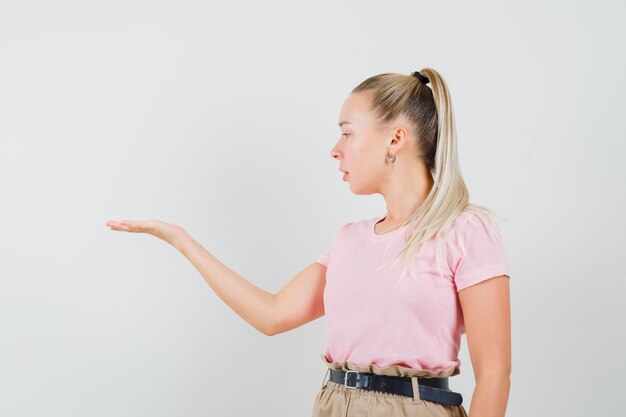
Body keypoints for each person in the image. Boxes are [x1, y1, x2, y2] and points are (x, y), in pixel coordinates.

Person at [106, 67, 511, 417]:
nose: (335, 150)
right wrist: (182, 241)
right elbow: (273, 315)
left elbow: (494, 373)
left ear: (396, 139)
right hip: (335, 404)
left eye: (347, 134)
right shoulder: (349, 241)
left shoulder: (466, 231)